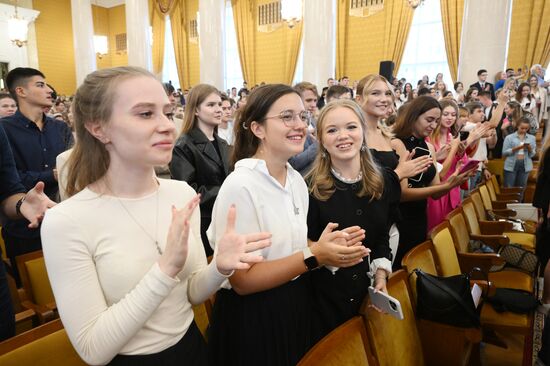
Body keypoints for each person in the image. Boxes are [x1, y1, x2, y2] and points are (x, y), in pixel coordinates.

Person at [40, 66, 271, 365]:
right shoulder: (67, 220)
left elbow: (190, 294)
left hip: (192, 349)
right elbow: (93, 348)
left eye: (167, 111)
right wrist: (164, 270)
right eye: (145, 114)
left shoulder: (181, 194)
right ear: (99, 128)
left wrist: (219, 268)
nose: (168, 126)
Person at [206, 84, 368, 366]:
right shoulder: (242, 185)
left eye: (303, 117)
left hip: (294, 301)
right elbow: (243, 281)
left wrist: (327, 248)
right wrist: (315, 256)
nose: (299, 126)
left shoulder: (294, 179)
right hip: (254, 316)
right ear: (257, 128)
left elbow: (291, 243)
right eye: (287, 117)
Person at [306, 99, 400, 341]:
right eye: (332, 130)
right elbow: (302, 246)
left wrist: (380, 276)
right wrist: (324, 254)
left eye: (351, 127)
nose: (343, 136)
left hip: (364, 297)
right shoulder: (309, 188)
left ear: (362, 132)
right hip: (321, 301)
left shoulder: (384, 181)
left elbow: (381, 236)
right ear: (321, 140)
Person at [1, 67, 73, 284]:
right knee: (36, 288)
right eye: (40, 85)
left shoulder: (60, 128)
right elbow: (9, 181)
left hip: (63, 221)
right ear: (21, 91)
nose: (49, 90)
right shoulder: (4, 130)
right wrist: (50, 175)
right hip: (24, 227)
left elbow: (71, 170)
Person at [391, 96, 473, 269]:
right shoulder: (397, 143)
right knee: (400, 268)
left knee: (416, 265)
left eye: (436, 121)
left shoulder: (428, 147)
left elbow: (435, 191)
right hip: (400, 219)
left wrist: (453, 180)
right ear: (414, 117)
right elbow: (402, 194)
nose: (434, 125)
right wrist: (445, 186)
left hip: (421, 217)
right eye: (429, 120)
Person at [169, 84, 230, 257]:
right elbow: (188, 191)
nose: (219, 109)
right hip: (203, 221)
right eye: (211, 105)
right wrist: (228, 191)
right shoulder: (183, 146)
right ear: (196, 110)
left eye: (219, 104)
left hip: (223, 217)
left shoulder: (223, 144)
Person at [502, 116, 537, 191]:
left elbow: (532, 155)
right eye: (522, 128)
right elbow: (504, 153)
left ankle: (519, 202)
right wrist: (517, 148)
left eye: (526, 129)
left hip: (525, 165)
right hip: (511, 164)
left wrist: (530, 149)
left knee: (521, 189)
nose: (524, 130)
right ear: (517, 126)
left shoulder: (532, 138)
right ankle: (507, 202)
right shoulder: (509, 137)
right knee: (508, 188)